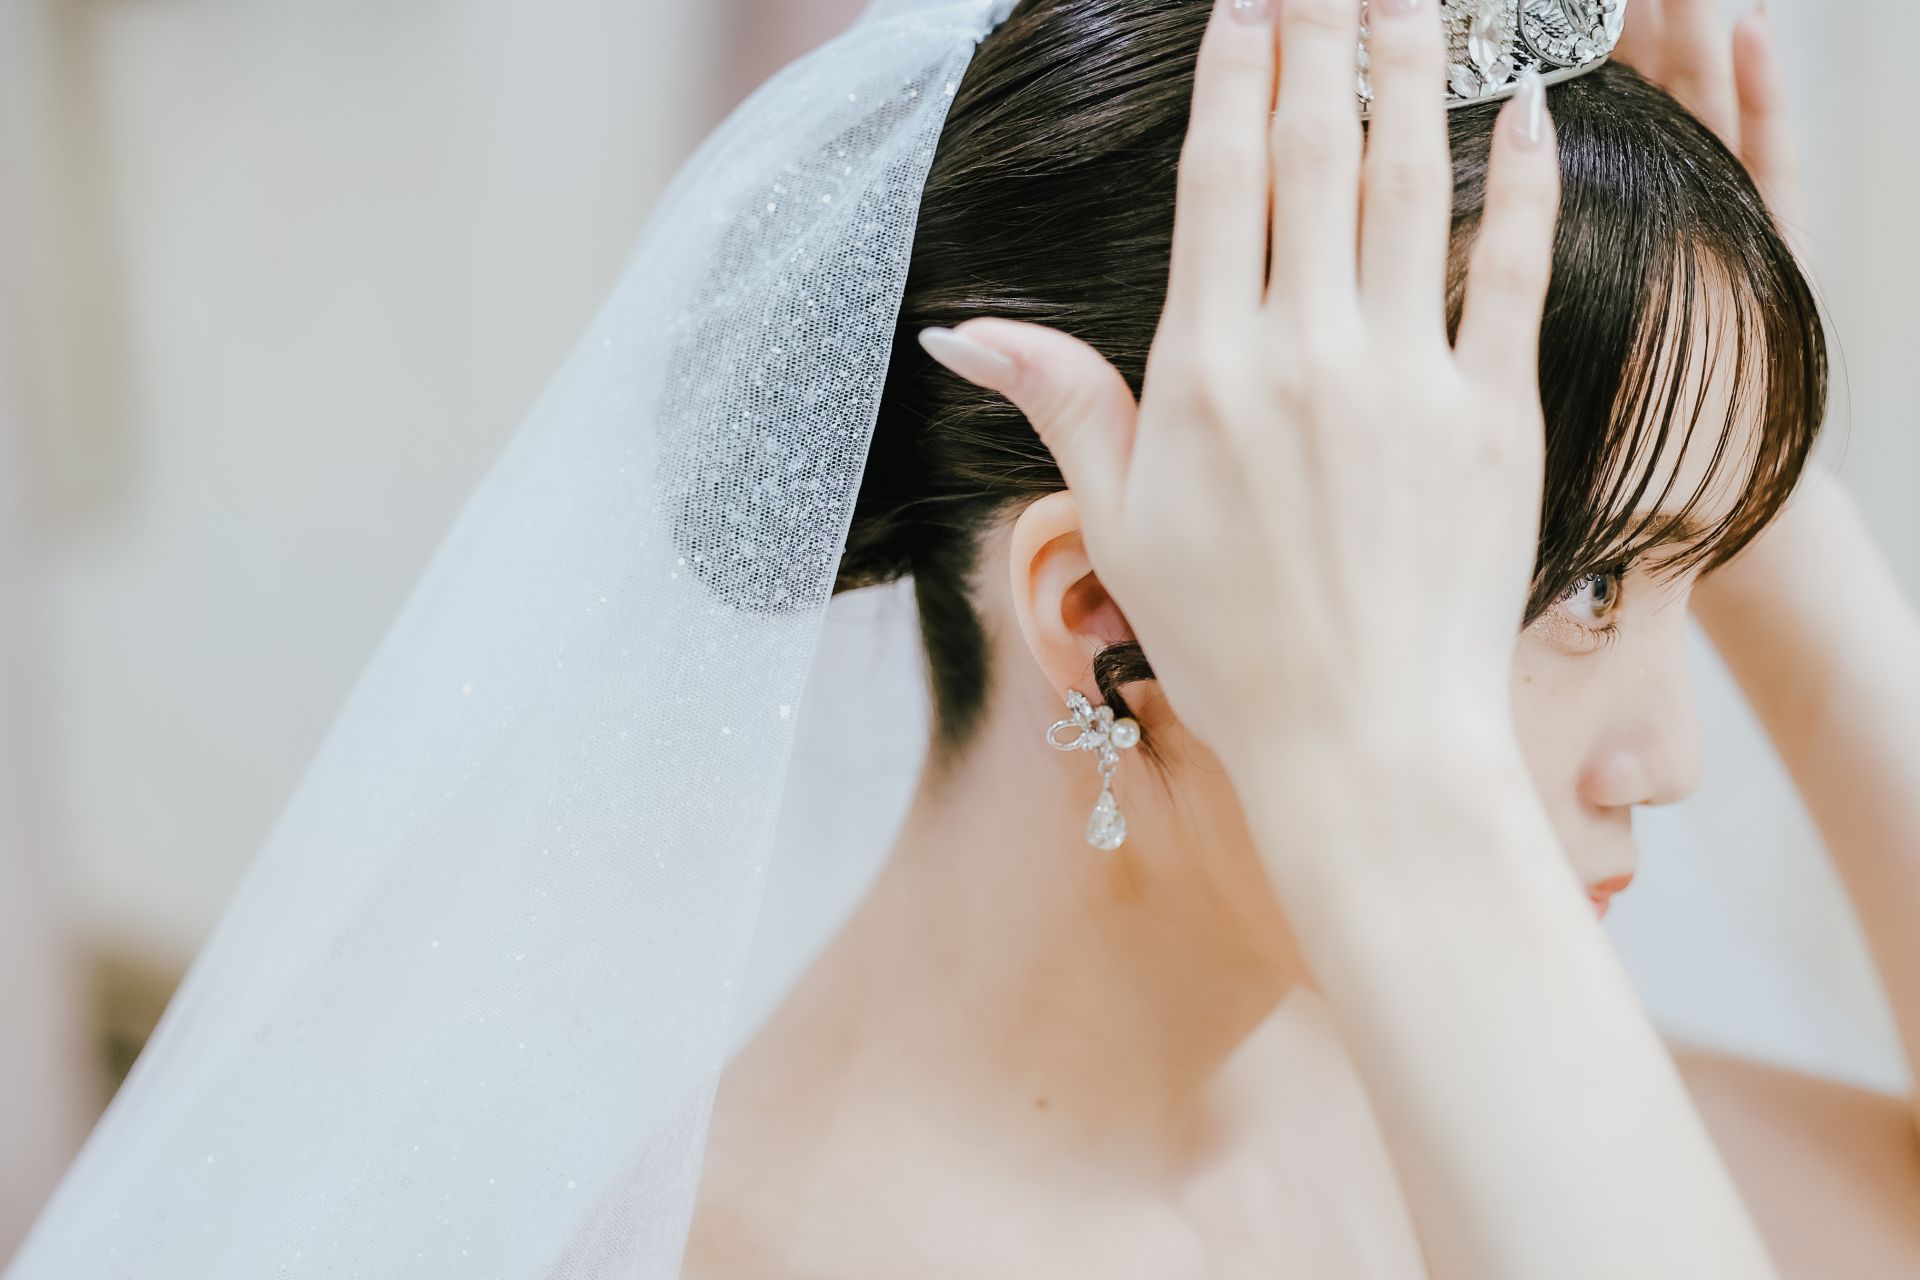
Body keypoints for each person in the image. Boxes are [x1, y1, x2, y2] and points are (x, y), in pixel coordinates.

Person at [684, 0, 1920, 1276]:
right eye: (1588, 587)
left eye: (1694, 578)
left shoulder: (1388, 1086)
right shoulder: (778, 1249)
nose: (1671, 760)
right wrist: (1403, 776)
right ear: (1108, 606)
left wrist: (1747, 481)